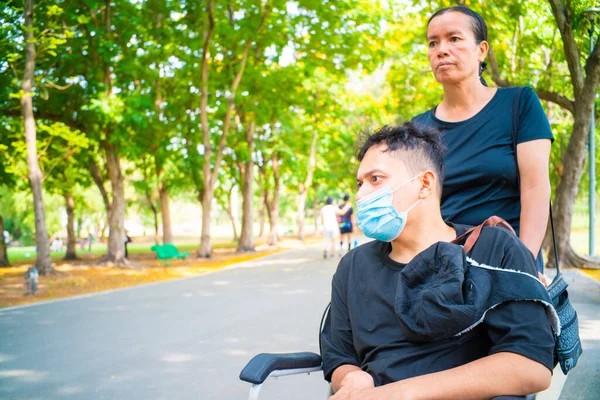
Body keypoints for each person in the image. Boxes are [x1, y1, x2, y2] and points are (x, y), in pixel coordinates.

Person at [321, 123, 556, 399]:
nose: (360, 196)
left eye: (375, 179)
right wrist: (352, 377)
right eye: (360, 183)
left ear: (424, 184)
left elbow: (531, 365)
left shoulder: (492, 249)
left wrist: (398, 394)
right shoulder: (353, 266)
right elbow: (340, 356)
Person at [411, 6, 553, 272]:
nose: (441, 50)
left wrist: (523, 267)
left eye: (454, 39)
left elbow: (535, 188)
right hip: (443, 270)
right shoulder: (417, 128)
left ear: (481, 50)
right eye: (433, 42)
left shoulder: (520, 104)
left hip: (509, 261)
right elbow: (416, 207)